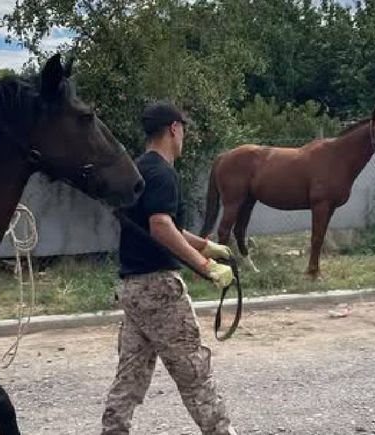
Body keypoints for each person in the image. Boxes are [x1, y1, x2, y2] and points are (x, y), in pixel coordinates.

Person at [101, 101, 238, 435]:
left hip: (133, 289)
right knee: (194, 372)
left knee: (130, 375)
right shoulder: (164, 172)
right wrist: (206, 266)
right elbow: (161, 225)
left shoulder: (138, 169)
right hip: (159, 289)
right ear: (174, 128)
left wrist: (207, 246)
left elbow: (163, 226)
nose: (184, 136)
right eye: (184, 129)